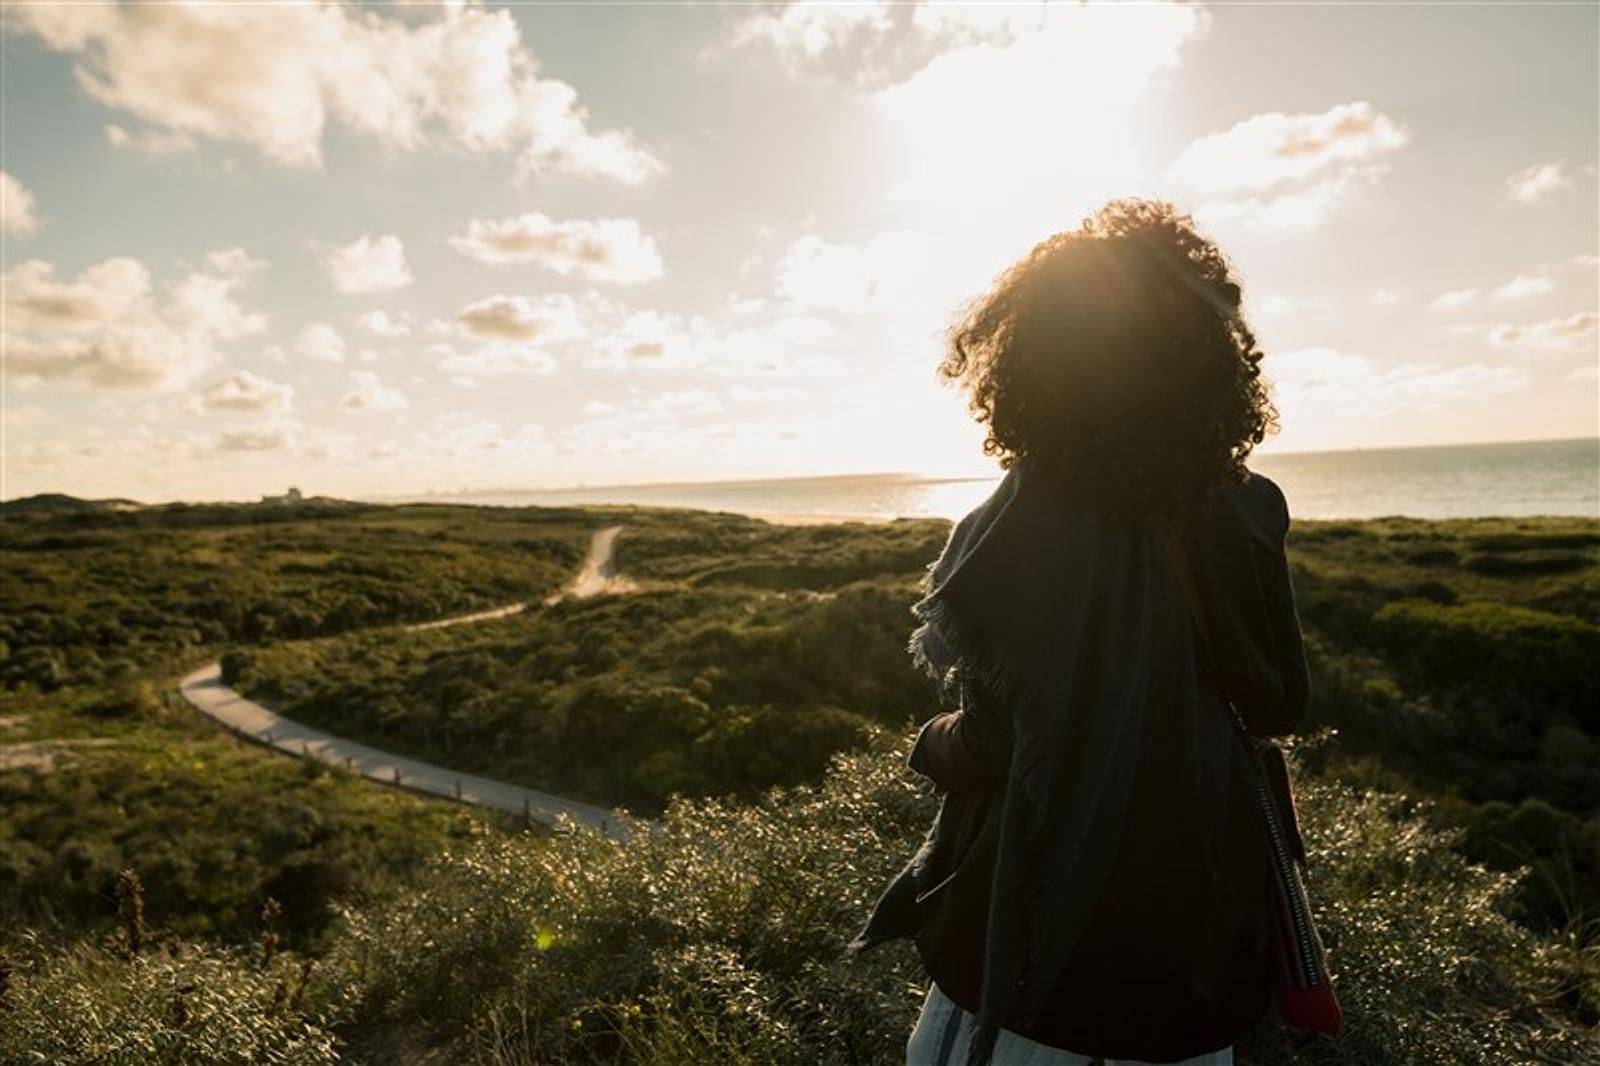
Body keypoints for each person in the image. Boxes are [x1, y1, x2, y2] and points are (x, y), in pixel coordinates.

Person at [849, 199, 1312, 1066]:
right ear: (1208, 358)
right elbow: (1280, 699)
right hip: (1198, 940)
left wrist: (929, 742)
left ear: (1033, 363)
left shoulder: (1014, 526)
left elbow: (994, 741)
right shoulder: (1249, 505)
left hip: (1040, 948)